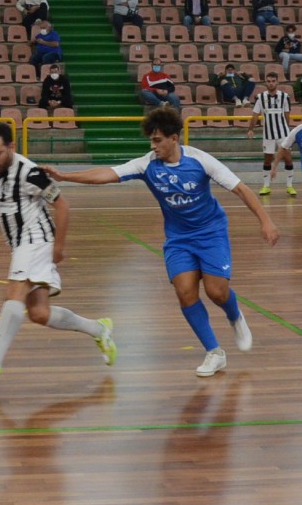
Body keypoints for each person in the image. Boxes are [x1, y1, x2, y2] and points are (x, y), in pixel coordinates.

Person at [45, 108, 279, 376]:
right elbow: (107, 174)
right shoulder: (147, 164)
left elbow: (241, 188)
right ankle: (214, 352)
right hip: (179, 239)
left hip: (210, 232)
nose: (152, 146)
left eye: (157, 140)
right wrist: (65, 176)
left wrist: (266, 220)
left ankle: (234, 314)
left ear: (174, 139)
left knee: (217, 292)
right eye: (151, 141)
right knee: (185, 292)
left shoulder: (201, 161)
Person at [0, 121, 116, 386]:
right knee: (39, 313)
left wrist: (59, 247)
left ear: (11, 147)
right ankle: (99, 328)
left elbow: (63, 206)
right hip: (19, 244)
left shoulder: (30, 172)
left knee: (13, 292)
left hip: (37, 239)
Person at [246, 71, 295, 198]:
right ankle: (266, 186)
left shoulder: (284, 97)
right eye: (269, 81)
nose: (271, 83)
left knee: (288, 158)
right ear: (265, 83)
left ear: (277, 82)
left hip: (283, 133)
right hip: (268, 134)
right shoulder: (260, 97)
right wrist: (251, 129)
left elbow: (287, 114)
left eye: (273, 81)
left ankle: (290, 186)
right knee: (267, 159)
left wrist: (288, 131)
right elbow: (255, 115)